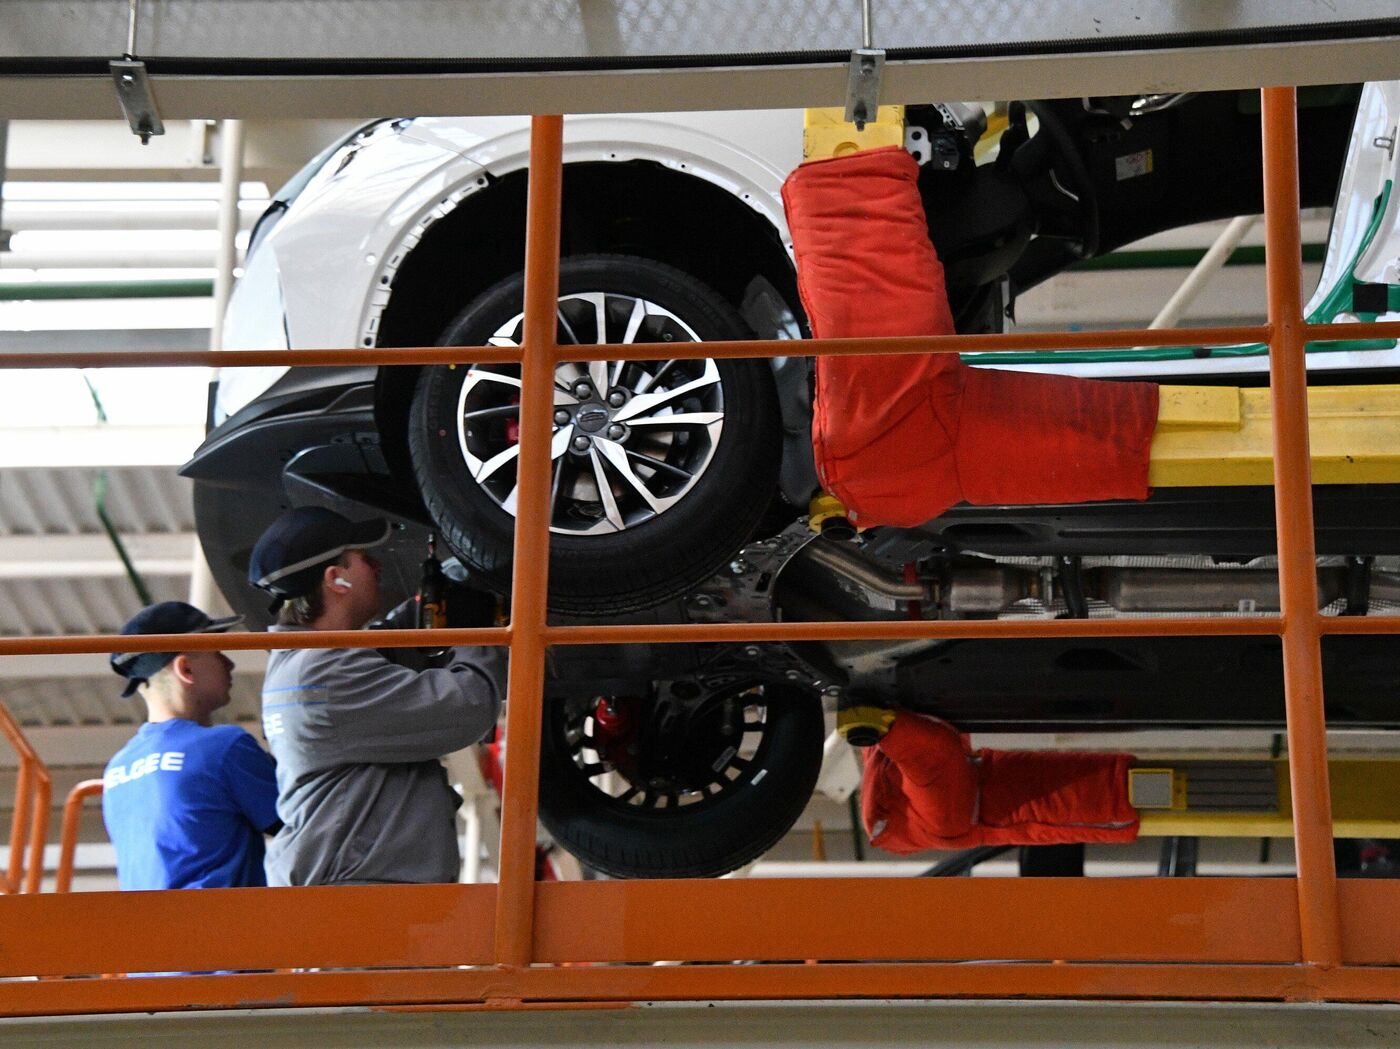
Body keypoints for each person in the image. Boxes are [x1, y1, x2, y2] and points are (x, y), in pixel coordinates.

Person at [248, 506, 505, 886]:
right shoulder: (325, 673)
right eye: (365, 559)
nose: (378, 566)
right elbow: (466, 707)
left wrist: (444, 588)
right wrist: (476, 635)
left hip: (351, 887)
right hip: (356, 896)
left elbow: (386, 644)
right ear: (337, 580)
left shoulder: (302, 664)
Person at [104, 601, 280, 890]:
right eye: (217, 653)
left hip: (145, 931)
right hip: (220, 928)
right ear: (186, 668)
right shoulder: (223, 747)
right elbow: (299, 825)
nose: (229, 663)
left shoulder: (117, 768)